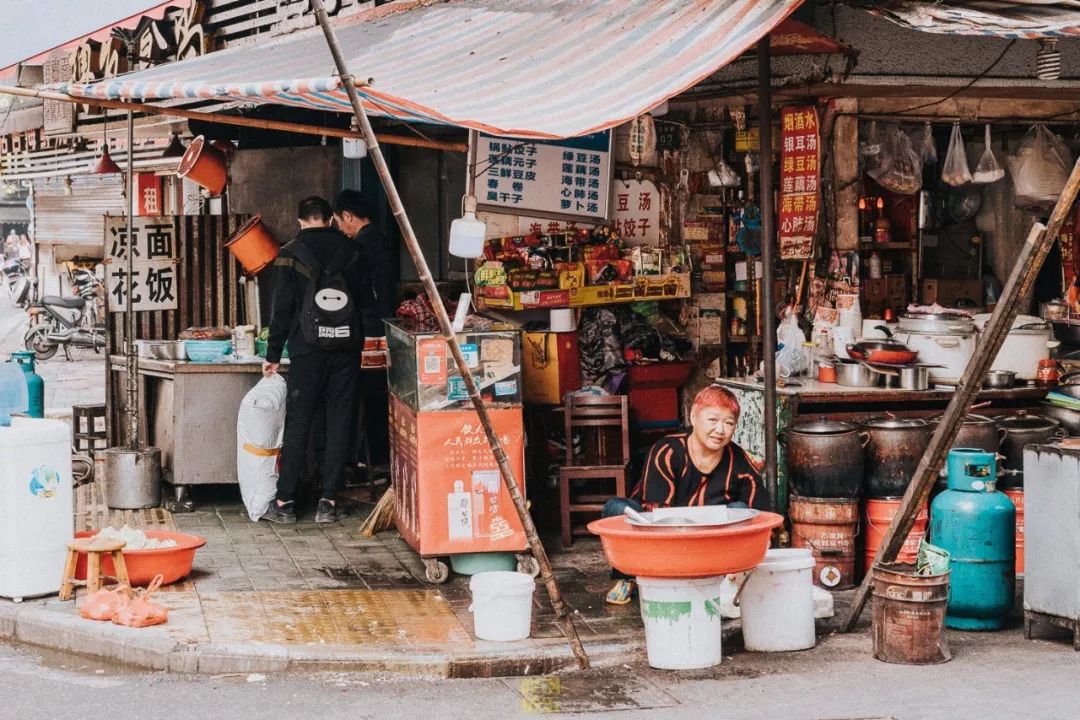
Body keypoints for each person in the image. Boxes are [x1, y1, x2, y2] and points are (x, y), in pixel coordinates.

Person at [262, 195, 374, 524]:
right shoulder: (353, 250)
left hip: (306, 351)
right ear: (330, 219)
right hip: (345, 351)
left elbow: (280, 310)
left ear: (300, 221)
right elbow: (366, 302)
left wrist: (273, 354)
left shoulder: (290, 253)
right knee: (340, 420)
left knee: (299, 422)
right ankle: (329, 501)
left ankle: (285, 502)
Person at [602, 385, 768, 605]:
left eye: (729, 423)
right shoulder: (667, 450)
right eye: (713, 420)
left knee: (740, 510)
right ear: (693, 416)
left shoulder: (738, 460)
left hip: (709, 542)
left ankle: (717, 575)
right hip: (658, 537)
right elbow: (658, 516)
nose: (720, 430)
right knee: (615, 508)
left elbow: (762, 515)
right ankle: (628, 576)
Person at [334, 190, 396, 471]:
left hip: (371, 328)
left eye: (338, 222)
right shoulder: (381, 240)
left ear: (348, 216)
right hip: (383, 323)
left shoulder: (362, 246)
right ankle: (376, 457)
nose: (340, 228)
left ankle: (371, 458)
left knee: (369, 397)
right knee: (379, 397)